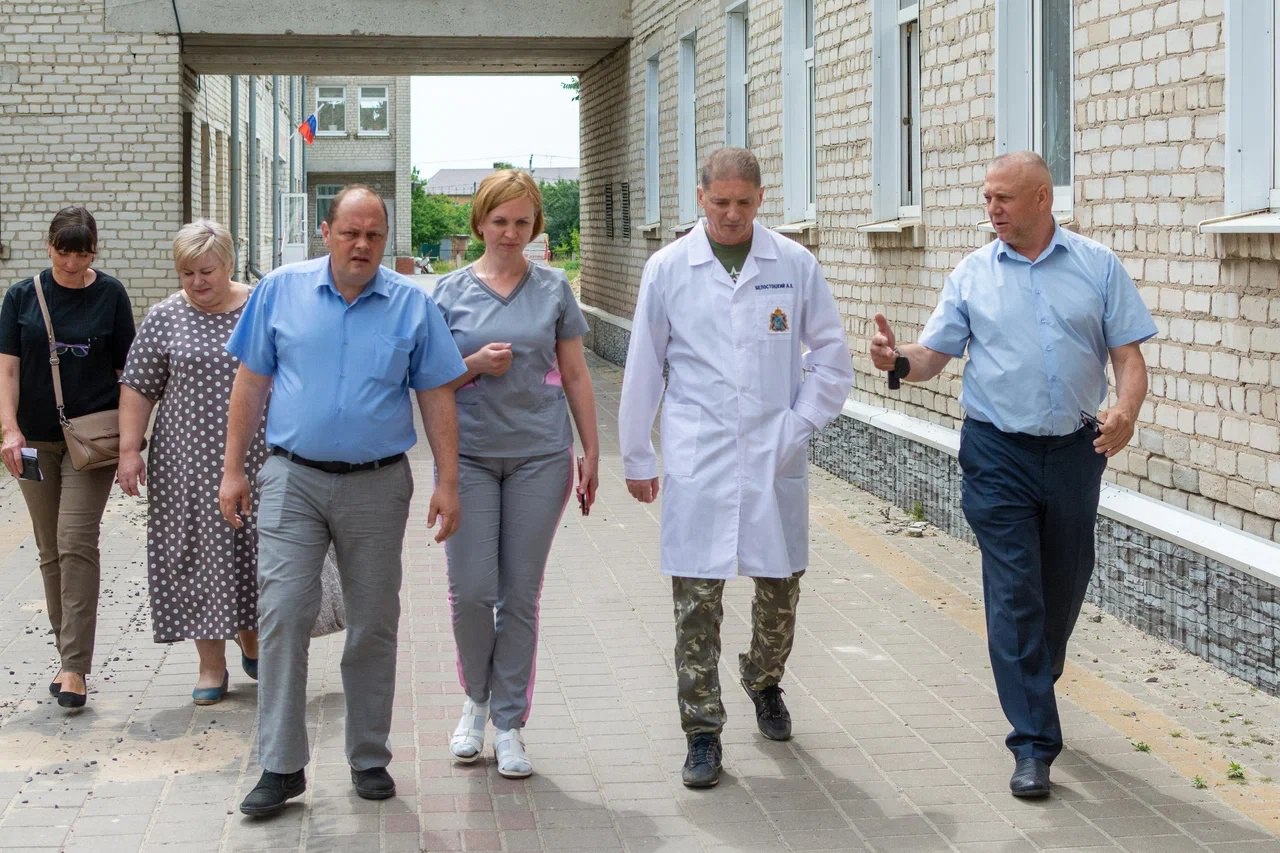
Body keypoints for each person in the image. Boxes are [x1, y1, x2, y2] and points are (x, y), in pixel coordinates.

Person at [869, 151, 1155, 799]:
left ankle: (1035, 674)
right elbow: (932, 356)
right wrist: (897, 359)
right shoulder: (973, 274)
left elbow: (1128, 357)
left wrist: (1126, 411)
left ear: (1043, 199)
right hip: (997, 453)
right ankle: (1032, 743)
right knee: (1014, 590)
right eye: (987, 197)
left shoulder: (1097, 266)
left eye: (1003, 197)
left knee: (1065, 581)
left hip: (1076, 451)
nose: (991, 208)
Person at [219, 185, 466, 817]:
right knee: (282, 612)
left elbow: (437, 393)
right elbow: (252, 379)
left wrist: (448, 481)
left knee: (374, 619)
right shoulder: (281, 290)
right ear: (325, 232)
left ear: (386, 239)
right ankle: (281, 765)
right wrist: (233, 470)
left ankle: (369, 756)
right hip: (291, 478)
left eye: (374, 235)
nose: (362, 245)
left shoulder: (413, 305)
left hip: (376, 483)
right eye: (350, 233)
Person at [618, 147, 853, 788]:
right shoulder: (669, 269)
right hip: (699, 457)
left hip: (775, 454)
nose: (730, 214)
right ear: (701, 197)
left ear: (760, 199)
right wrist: (637, 454)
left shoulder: (793, 265)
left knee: (780, 593)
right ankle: (701, 732)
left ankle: (764, 678)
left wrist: (797, 426)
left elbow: (831, 359)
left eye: (743, 203)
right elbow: (644, 367)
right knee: (696, 602)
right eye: (719, 202)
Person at [433, 170, 599, 778]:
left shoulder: (553, 288)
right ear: (479, 223)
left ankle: (508, 724)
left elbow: (575, 374)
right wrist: (474, 363)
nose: (510, 233)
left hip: (540, 457)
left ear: (535, 226)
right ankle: (474, 702)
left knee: (520, 596)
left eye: (522, 222)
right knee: (472, 594)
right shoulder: (446, 293)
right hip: (469, 459)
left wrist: (592, 451)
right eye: (499, 221)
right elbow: (428, 382)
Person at [117, 220, 264, 705]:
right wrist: (129, 451)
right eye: (187, 273)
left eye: (206, 271)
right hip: (186, 463)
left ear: (228, 264)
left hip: (257, 457)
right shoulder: (166, 316)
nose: (197, 282)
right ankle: (211, 665)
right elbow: (138, 386)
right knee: (200, 556)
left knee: (255, 551)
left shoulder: (259, 307)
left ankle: (252, 638)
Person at [0, 206, 135, 710]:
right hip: (33, 441)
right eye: (64, 253)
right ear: (49, 245)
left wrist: (130, 445)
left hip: (91, 443)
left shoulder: (111, 295)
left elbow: (127, 375)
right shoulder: (21, 296)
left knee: (76, 542)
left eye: (83, 255)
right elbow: (7, 371)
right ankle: (67, 655)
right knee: (49, 549)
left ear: (94, 251)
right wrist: (9, 430)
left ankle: (75, 667)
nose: (73, 265)